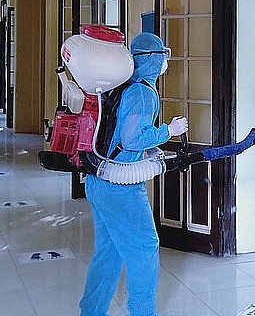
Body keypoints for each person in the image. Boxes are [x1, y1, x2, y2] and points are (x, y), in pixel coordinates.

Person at [79, 32, 188, 316]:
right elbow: (131, 139)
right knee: (145, 249)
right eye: (163, 54)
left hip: (98, 180)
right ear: (152, 60)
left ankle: (91, 311)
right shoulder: (142, 92)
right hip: (120, 188)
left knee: (109, 253)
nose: (166, 60)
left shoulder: (120, 87)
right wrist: (169, 131)